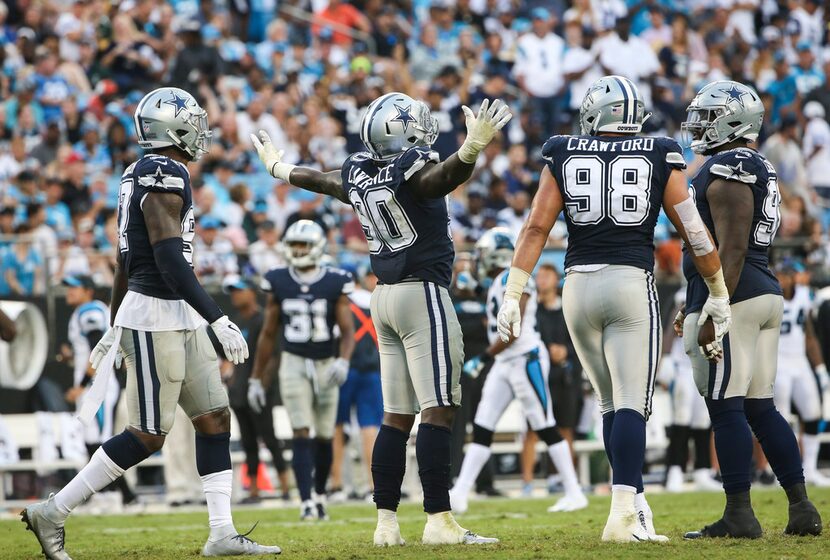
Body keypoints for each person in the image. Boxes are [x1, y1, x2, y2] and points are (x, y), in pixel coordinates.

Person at [21, 86, 280, 558]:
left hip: (171, 311)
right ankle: (53, 510)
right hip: (157, 313)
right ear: (174, 127)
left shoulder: (142, 172)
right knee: (148, 434)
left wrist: (112, 321)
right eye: (194, 122)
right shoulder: (163, 170)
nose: (201, 131)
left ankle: (221, 533)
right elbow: (165, 259)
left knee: (214, 416)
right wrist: (218, 317)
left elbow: (125, 262)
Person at [251, 92, 510, 545]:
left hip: (383, 297)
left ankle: (386, 524)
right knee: (439, 408)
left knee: (395, 416)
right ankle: (439, 521)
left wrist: (280, 170)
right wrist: (470, 150)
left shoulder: (360, 175)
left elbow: (325, 180)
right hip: (422, 293)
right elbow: (438, 180)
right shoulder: (412, 170)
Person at [497, 75, 732, 543]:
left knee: (609, 402)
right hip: (629, 284)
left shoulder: (563, 151)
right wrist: (719, 291)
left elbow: (535, 228)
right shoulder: (659, 151)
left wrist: (512, 291)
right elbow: (694, 232)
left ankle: (634, 505)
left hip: (577, 288)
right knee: (631, 404)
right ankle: (623, 513)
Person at [678, 80, 821, 539]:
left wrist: (716, 305)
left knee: (725, 405)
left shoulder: (731, 163)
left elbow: (732, 244)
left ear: (733, 120)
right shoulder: (753, 162)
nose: (699, 125)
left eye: (708, 116)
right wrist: (693, 301)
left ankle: (739, 513)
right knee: (761, 407)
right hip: (760, 290)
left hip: (737, 292)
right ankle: (801, 508)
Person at [449, 228, 586, 514]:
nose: (479, 260)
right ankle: (460, 493)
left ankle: (574, 491)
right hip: (506, 362)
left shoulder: (517, 278)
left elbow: (512, 328)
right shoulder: (500, 280)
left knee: (544, 424)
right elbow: (495, 298)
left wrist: (484, 358)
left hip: (526, 359)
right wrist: (474, 288)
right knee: (484, 425)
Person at [247, 220, 355, 521]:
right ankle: (306, 500)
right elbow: (268, 334)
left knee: (323, 435)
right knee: (300, 430)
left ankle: (319, 494)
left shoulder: (335, 280)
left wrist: (343, 359)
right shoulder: (278, 279)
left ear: (317, 247)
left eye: (302, 245)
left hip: (325, 362)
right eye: (293, 244)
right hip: (293, 361)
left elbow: (347, 330)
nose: (297, 250)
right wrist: (256, 377)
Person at [61, 274, 136, 506]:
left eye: (75, 287)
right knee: (92, 441)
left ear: (88, 290)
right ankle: (116, 493)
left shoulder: (89, 311)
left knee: (99, 441)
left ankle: (123, 494)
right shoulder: (89, 310)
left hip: (97, 387)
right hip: (96, 386)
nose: (69, 292)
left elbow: (98, 350)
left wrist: (81, 386)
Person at [224, 276, 290, 502]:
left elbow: (274, 356)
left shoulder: (264, 319)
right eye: (232, 292)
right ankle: (253, 490)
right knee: (248, 441)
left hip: (260, 390)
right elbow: (226, 357)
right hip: (239, 392)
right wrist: (231, 380)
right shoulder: (234, 322)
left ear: (252, 292)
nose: (235, 295)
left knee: (269, 438)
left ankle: (286, 487)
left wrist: (261, 384)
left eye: (239, 290)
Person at [772, 263, 830, 487]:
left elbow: (810, 337)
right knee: (782, 422)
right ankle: (785, 472)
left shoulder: (805, 296)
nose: (784, 280)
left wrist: (820, 368)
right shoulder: (769, 296)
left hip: (800, 362)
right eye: (781, 275)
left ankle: (810, 469)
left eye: (787, 275)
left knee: (813, 413)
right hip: (778, 362)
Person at [331, 265, 384, 500]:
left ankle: (337, 484)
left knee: (337, 426)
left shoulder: (340, 303)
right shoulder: (374, 301)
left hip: (344, 369)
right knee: (370, 427)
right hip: (372, 371)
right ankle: (373, 485)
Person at [659, 289, 719, 493]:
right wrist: (665, 357)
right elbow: (671, 327)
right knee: (681, 417)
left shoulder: (718, 291)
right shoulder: (682, 295)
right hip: (683, 365)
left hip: (706, 364)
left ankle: (702, 470)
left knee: (702, 419)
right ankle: (675, 469)